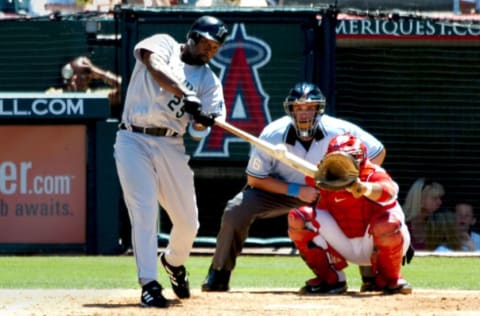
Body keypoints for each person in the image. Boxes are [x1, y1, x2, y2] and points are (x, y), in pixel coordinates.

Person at [201, 82, 387, 292]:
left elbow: (377, 152)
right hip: (280, 190)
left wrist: (342, 181)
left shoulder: (340, 130)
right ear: (291, 110)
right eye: (298, 108)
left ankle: (371, 275)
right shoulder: (272, 134)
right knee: (236, 209)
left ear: (319, 109)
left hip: (327, 190)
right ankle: (219, 272)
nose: (304, 113)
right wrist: (296, 191)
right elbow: (255, 179)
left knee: (362, 201)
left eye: (309, 107)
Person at [114, 15, 228, 308]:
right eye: (206, 43)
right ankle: (149, 284)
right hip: (133, 138)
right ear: (193, 37)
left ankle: (173, 262)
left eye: (215, 48)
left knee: (189, 223)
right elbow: (154, 66)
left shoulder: (210, 81)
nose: (209, 51)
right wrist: (186, 93)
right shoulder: (162, 43)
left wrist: (203, 122)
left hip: (170, 144)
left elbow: (203, 126)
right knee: (145, 209)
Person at [287, 133, 412, 294]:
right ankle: (331, 280)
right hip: (345, 243)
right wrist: (329, 175)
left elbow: (389, 191)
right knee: (299, 218)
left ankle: (389, 279)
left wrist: (364, 188)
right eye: (339, 158)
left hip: (381, 241)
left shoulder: (373, 173)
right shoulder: (326, 174)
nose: (345, 163)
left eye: (352, 157)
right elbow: (309, 177)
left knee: (386, 223)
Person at [402, 178, 445, 250]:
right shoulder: (401, 227)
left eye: (440, 198)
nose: (440, 202)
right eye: (435, 198)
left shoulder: (437, 226)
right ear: (420, 199)